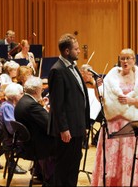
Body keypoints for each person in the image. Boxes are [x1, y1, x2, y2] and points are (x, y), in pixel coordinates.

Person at [91, 48, 138, 186]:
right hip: (113, 124)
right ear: (119, 60)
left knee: (132, 158)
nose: (125, 61)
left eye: (128, 58)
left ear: (134, 60)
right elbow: (101, 99)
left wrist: (130, 100)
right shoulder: (112, 75)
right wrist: (97, 88)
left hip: (131, 125)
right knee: (112, 160)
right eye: (122, 58)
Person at [48, 33, 90, 186]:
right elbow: (57, 104)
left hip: (77, 125)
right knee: (64, 165)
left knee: (74, 164)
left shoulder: (73, 67)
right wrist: (63, 128)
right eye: (76, 49)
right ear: (67, 51)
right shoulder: (57, 70)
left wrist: (84, 124)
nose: (79, 51)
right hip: (67, 129)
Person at [14, 76, 55, 186]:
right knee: (66, 143)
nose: (42, 91)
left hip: (27, 142)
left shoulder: (23, 101)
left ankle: (41, 174)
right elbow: (50, 124)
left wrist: (42, 106)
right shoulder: (32, 105)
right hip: (36, 146)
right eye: (42, 89)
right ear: (37, 90)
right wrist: (49, 111)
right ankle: (52, 179)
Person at [0, 83, 27, 174]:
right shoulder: (7, 107)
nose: (23, 95)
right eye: (21, 93)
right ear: (14, 95)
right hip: (10, 138)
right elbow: (11, 128)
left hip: (9, 137)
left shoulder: (10, 105)